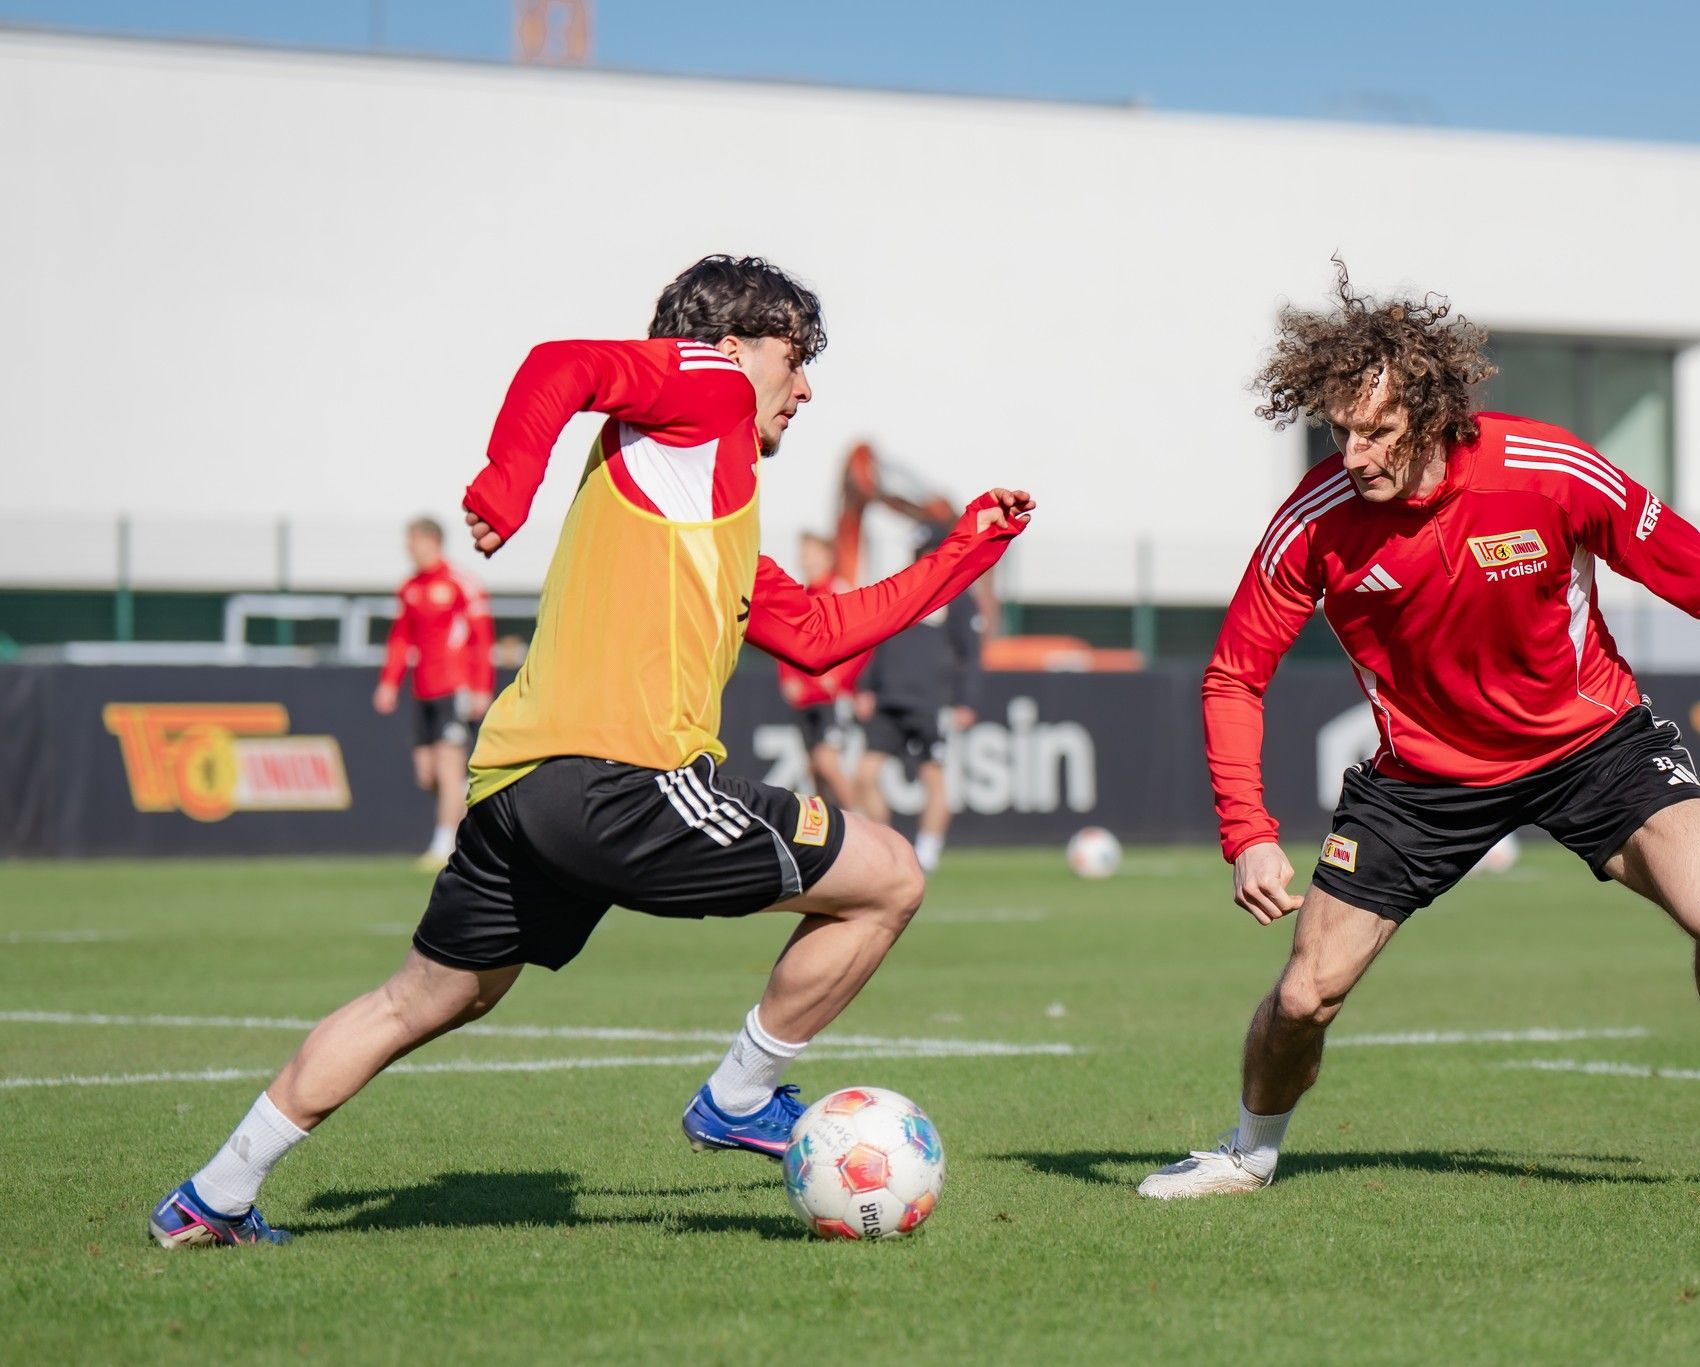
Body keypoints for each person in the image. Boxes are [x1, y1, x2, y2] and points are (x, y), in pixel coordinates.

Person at [149, 255, 1035, 1247]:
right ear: (729, 348)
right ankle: (742, 1093)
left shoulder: (709, 495)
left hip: (519, 783)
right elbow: (560, 364)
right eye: (797, 356)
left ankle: (212, 1194)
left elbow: (822, 630)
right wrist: (504, 482)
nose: (807, 383)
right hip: (618, 779)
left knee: (425, 997)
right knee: (891, 873)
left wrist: (962, 552)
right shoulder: (703, 389)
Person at [1138, 269, 1700, 1201]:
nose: (1355, 452)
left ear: (1435, 410)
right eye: (1339, 429)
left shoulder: (1549, 469)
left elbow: (1698, 571)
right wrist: (1247, 832)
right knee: (1303, 997)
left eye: (1377, 430)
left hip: (1594, 746)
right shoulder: (1314, 521)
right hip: (1421, 780)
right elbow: (1233, 676)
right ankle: (1248, 1151)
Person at [853, 520, 986, 872]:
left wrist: (966, 701)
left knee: (934, 778)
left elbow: (971, 654)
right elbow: (877, 639)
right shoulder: (903, 587)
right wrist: (866, 686)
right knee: (865, 774)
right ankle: (888, 847)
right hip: (889, 699)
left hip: (930, 702)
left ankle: (927, 852)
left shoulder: (959, 598)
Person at [373, 517, 497, 868]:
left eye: (412, 541)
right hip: (423, 691)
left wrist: (480, 687)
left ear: (431, 541)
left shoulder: (461, 584)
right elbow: (400, 639)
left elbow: (481, 638)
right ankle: (471, 819)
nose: (407, 548)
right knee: (427, 774)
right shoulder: (410, 588)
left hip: (454, 688)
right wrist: (388, 682)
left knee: (448, 767)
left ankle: (445, 844)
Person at [775, 532, 868, 809]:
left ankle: (863, 825)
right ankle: (833, 839)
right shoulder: (802, 597)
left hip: (831, 698)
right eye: (804, 553)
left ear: (827, 555)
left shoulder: (838, 589)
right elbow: (786, 641)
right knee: (814, 769)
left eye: (812, 552)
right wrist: (788, 678)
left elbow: (861, 639)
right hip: (807, 698)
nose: (806, 559)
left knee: (828, 762)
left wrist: (840, 676)